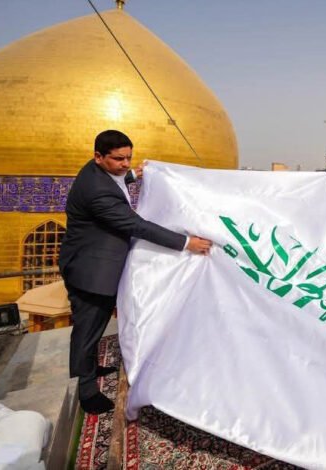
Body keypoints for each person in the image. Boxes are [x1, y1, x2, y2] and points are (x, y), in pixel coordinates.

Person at [59, 130, 212, 414]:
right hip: (90, 271)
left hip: (92, 263)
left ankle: (90, 368)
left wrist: (132, 176)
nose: (126, 164)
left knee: (95, 326)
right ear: (98, 157)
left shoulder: (97, 173)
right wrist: (186, 243)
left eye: (128, 158)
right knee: (87, 329)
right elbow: (135, 225)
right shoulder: (97, 192)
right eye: (119, 159)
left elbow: (115, 184)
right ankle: (87, 392)